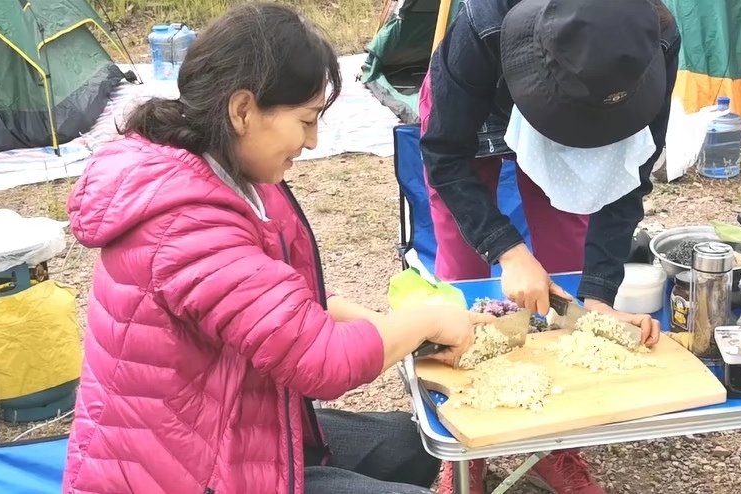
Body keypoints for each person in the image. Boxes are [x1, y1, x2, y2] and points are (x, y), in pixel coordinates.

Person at [61, 4, 488, 493]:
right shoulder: (183, 223)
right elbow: (322, 362)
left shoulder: (225, 171)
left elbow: (257, 307)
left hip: (229, 417)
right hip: (186, 473)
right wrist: (427, 319)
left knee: (411, 442)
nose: (312, 141)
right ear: (243, 110)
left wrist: (349, 313)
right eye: (306, 120)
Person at [419, 0, 681, 491]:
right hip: (479, 99)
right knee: (462, 278)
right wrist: (506, 250)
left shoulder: (654, 36)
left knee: (562, 277)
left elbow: (629, 178)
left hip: (580, 96)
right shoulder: (480, 26)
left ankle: (551, 441)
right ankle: (467, 442)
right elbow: (444, 157)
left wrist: (598, 296)